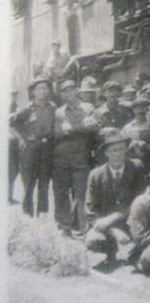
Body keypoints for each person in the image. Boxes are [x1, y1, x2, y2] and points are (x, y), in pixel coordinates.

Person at [84, 130, 147, 264]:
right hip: (106, 224)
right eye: (113, 150)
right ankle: (110, 251)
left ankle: (137, 250)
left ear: (126, 150)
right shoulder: (96, 174)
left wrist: (117, 216)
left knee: (144, 247)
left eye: (121, 149)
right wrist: (113, 230)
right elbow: (90, 211)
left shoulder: (136, 167)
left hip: (132, 219)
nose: (118, 154)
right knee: (92, 240)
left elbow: (141, 200)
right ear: (106, 153)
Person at [52, 78, 98, 234]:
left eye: (71, 89)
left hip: (81, 156)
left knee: (82, 192)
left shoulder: (88, 107)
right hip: (61, 157)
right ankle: (65, 227)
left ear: (77, 90)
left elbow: (93, 127)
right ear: (62, 95)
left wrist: (72, 129)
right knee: (62, 192)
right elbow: (58, 133)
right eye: (64, 91)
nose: (68, 93)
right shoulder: (59, 112)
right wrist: (81, 127)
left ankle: (84, 228)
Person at [10, 77, 56, 217]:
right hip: (30, 149)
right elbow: (11, 123)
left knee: (44, 182)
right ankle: (27, 213)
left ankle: (42, 213)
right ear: (33, 92)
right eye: (39, 88)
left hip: (47, 148)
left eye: (45, 88)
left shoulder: (52, 107)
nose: (42, 91)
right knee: (28, 183)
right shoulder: (26, 109)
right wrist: (22, 138)